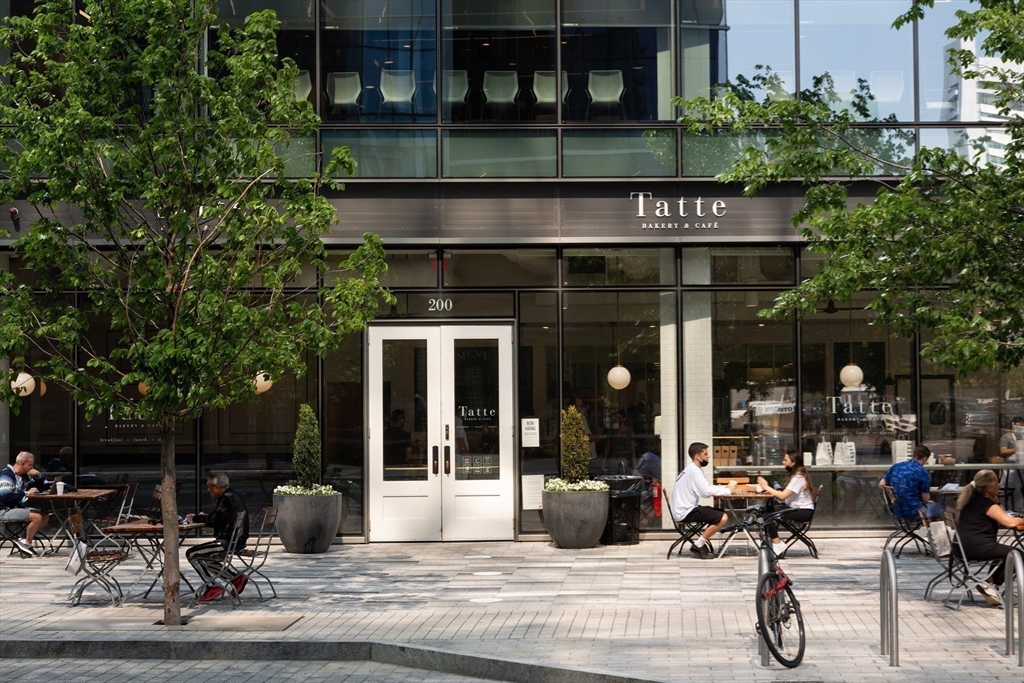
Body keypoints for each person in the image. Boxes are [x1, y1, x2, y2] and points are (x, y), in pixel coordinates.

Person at [955, 469, 1024, 606]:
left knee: (1005, 552)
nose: (999, 485)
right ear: (988, 487)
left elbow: (1002, 516)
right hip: (976, 548)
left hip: (961, 547)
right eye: (997, 483)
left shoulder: (971, 500)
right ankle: (991, 585)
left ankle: (990, 584)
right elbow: (1009, 522)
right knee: (1018, 555)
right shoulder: (986, 504)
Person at [185, 473, 249, 601]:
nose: (208, 490)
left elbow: (213, 520)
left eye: (209, 487)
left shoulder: (226, 498)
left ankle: (212, 586)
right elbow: (219, 517)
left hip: (227, 542)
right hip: (236, 541)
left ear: (217, 486)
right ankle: (236, 578)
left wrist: (195, 517)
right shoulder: (232, 495)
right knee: (207, 558)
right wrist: (206, 516)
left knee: (191, 553)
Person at [670, 442, 735, 559]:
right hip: (686, 512)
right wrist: (728, 490)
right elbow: (706, 492)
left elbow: (706, 488)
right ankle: (698, 545)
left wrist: (724, 488)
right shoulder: (694, 471)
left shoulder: (691, 469)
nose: (708, 456)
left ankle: (700, 543)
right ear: (697, 456)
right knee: (722, 517)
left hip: (684, 509)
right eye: (705, 454)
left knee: (719, 512)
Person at [757, 449, 815, 557]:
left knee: (767, 515)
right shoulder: (796, 476)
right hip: (796, 508)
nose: (783, 462)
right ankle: (773, 542)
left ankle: (777, 544)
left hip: (803, 511)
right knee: (765, 510)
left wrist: (766, 486)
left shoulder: (798, 477)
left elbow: (783, 496)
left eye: (785, 460)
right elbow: (785, 494)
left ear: (793, 462)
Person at [0, 451, 51, 557]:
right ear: (22, 464)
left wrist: (38, 476)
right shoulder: (6, 475)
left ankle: (23, 540)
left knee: (45, 515)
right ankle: (27, 543)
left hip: (15, 508)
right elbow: (6, 496)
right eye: (30, 465)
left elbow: (40, 487)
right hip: (4, 510)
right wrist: (26, 493)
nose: (32, 467)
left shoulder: (23, 477)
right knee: (37, 517)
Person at [879, 445, 945, 520]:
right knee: (949, 509)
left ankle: (926, 529)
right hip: (915, 511)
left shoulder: (896, 466)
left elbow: (881, 484)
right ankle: (955, 530)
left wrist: (892, 496)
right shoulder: (921, 471)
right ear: (925, 459)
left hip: (898, 510)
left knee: (932, 508)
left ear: (913, 455)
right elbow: (925, 499)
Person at [998, 416, 1024, 510]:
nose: (1018, 427)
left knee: (1021, 490)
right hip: (1010, 468)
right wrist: (1017, 449)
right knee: (1010, 490)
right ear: (1012, 425)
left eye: (1021, 424)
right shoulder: (1006, 437)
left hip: (1021, 468)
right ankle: (1009, 510)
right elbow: (1003, 451)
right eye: (1016, 425)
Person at [604, 409, 636, 475]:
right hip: (614, 458)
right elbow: (607, 447)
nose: (617, 419)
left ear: (624, 419)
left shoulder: (629, 432)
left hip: (626, 458)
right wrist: (604, 461)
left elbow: (632, 448)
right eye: (615, 418)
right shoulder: (611, 432)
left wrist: (633, 462)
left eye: (619, 417)